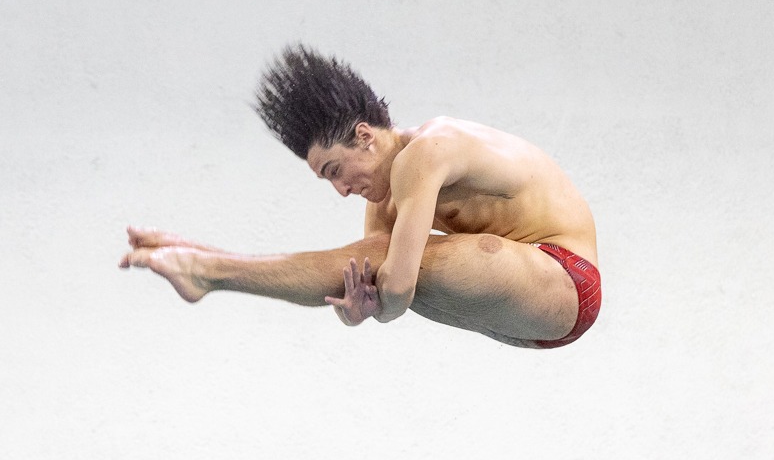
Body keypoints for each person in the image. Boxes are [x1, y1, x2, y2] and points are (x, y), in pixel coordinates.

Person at [119, 44, 600, 348]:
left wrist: (382, 302)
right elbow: (373, 292)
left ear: (365, 136)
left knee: (384, 259)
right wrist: (357, 312)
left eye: (335, 171)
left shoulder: (429, 152)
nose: (341, 191)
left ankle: (209, 270)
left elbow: (395, 293)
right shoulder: (386, 196)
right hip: (522, 324)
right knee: (374, 259)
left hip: (564, 278)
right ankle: (201, 259)